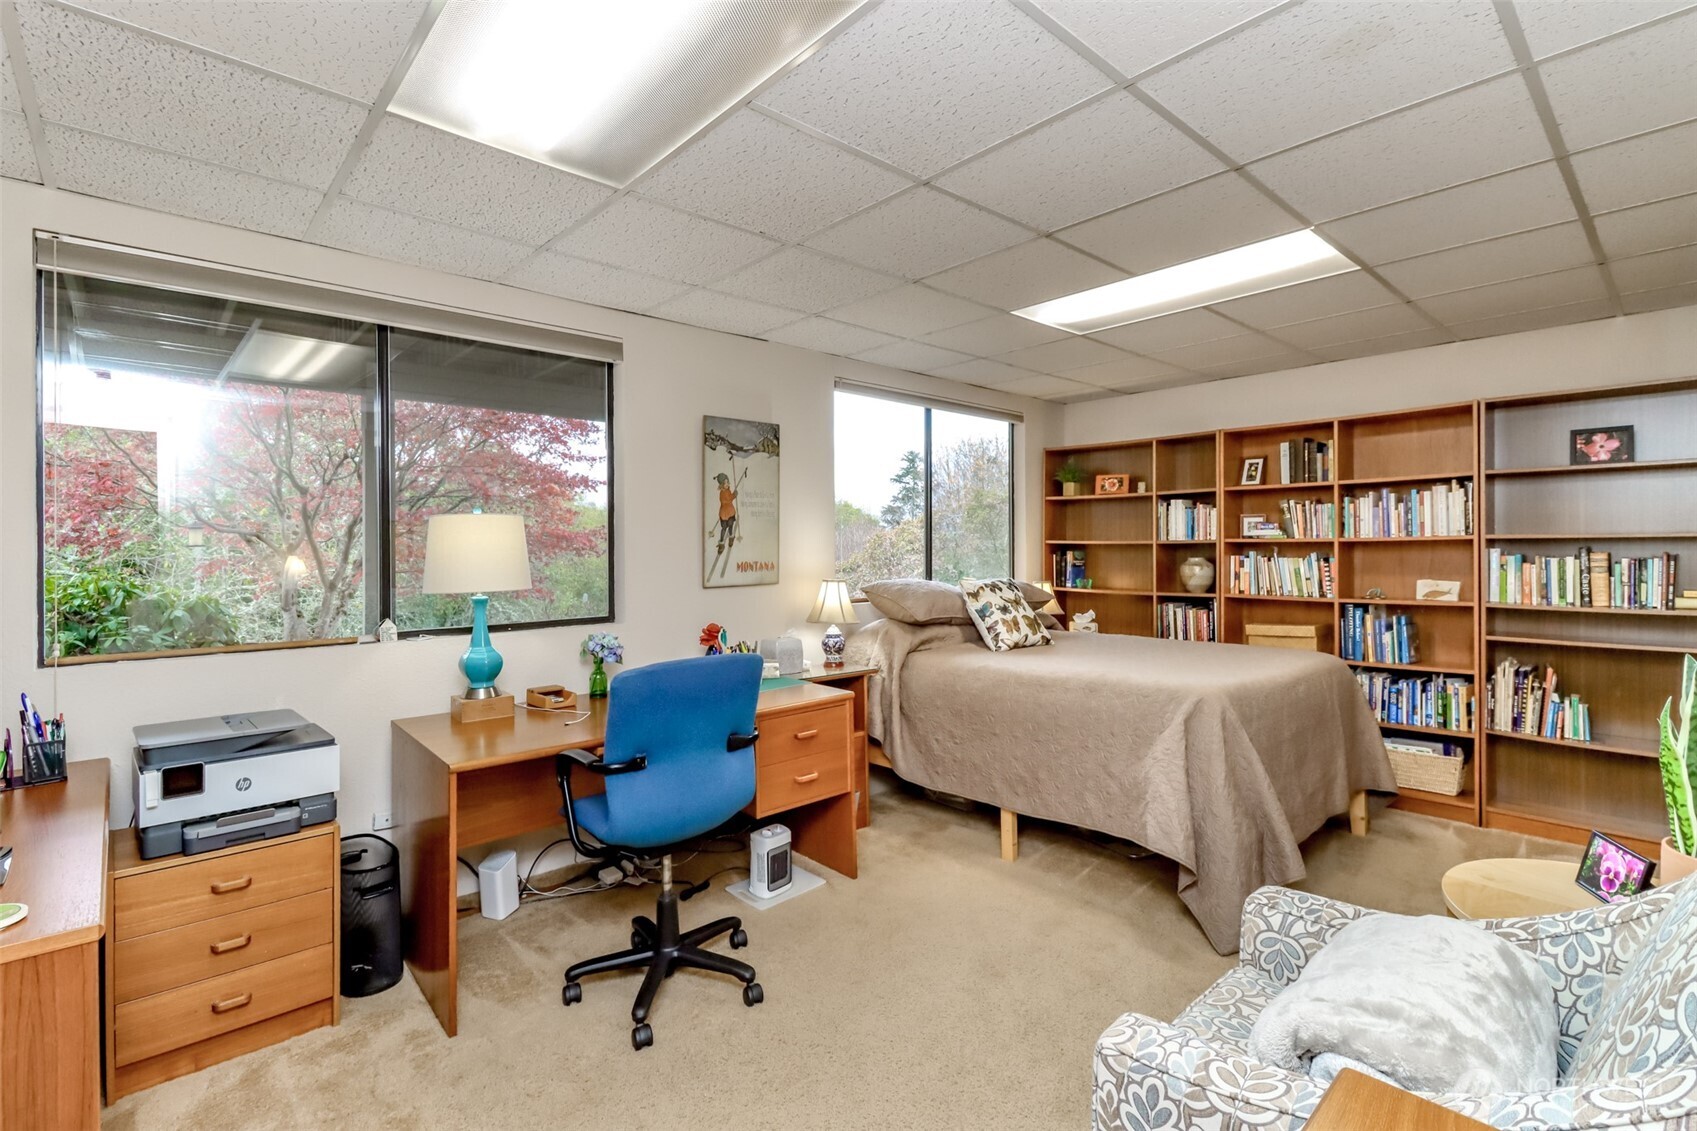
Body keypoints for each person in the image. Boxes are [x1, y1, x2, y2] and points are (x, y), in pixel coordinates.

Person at [714, 472, 738, 552]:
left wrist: (733, 494)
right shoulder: (722, 493)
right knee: (724, 528)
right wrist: (734, 495)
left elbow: (729, 497)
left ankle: (731, 537)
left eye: (727, 482)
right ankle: (721, 543)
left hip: (730, 513)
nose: (727, 484)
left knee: (730, 526)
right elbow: (727, 500)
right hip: (724, 515)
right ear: (721, 485)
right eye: (725, 483)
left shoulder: (728, 490)